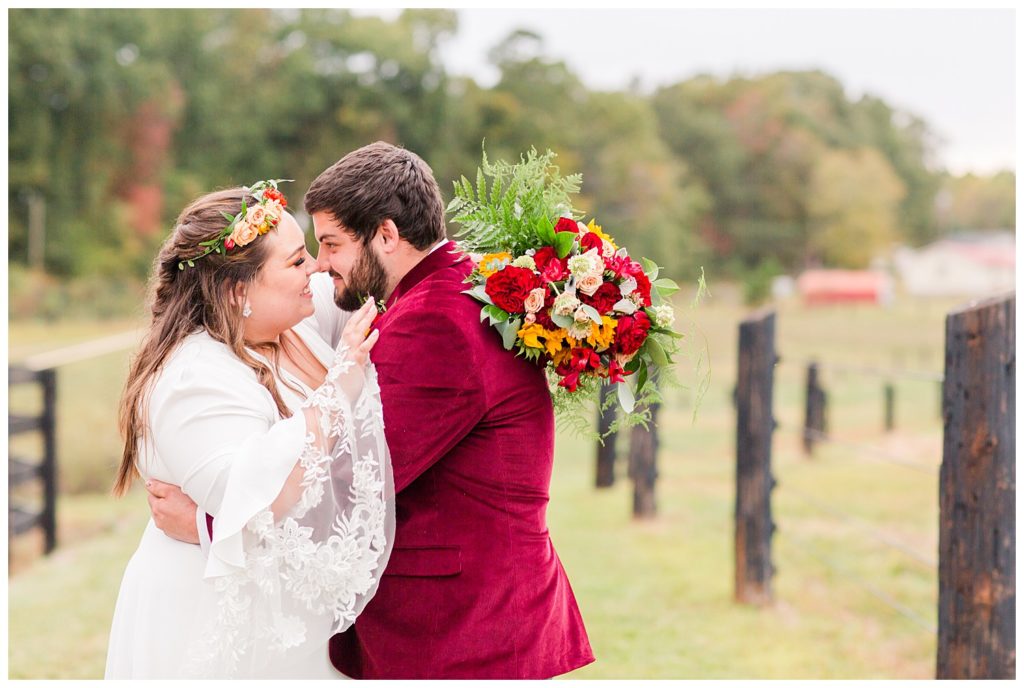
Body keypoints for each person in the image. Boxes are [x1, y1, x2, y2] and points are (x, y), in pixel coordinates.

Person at [146, 142, 595, 679]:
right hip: (479, 612)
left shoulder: (435, 323)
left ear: (386, 235)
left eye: (331, 245)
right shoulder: (453, 286)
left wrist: (210, 524)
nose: (321, 265)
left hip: (466, 629)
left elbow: (354, 482)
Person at [105, 182, 395, 679]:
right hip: (210, 620)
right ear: (239, 290)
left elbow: (378, 271)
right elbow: (261, 497)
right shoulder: (195, 377)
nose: (316, 269)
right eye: (296, 260)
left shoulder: (288, 324)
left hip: (283, 618)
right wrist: (342, 381)